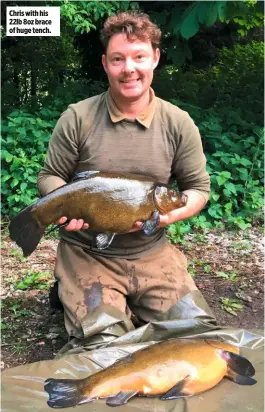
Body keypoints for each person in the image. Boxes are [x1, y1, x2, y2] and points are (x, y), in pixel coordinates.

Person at [37, 11, 211, 339]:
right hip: (88, 252)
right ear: (105, 64)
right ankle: (73, 289)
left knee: (196, 336)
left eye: (139, 57)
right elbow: (50, 176)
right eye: (118, 59)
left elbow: (198, 188)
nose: (129, 69)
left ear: (155, 58)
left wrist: (167, 217)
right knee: (106, 344)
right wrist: (64, 208)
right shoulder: (77, 117)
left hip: (151, 251)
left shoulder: (178, 123)